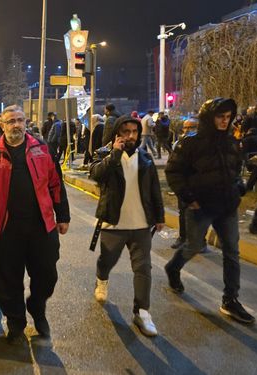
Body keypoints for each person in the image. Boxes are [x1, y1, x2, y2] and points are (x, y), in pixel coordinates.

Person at [0, 105, 70, 345]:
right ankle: (16, 322)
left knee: (47, 275)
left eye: (20, 120)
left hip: (41, 227)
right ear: (2, 124)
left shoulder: (41, 148)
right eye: (11, 121)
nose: (16, 125)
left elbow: (56, 183)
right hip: (5, 230)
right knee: (8, 279)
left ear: (26, 122)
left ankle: (37, 307)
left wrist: (63, 215)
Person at [165, 98, 254, 324]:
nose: (224, 121)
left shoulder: (231, 142)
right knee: (194, 245)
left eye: (227, 117)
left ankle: (230, 299)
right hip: (200, 207)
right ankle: (173, 268)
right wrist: (188, 197)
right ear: (209, 117)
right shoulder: (190, 143)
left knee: (232, 252)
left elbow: (235, 169)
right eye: (220, 117)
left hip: (227, 206)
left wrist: (239, 186)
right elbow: (174, 171)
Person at [89, 115, 165, 337]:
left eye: (134, 132)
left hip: (141, 224)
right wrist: (114, 153)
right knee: (107, 260)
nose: (130, 136)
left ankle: (142, 311)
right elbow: (96, 175)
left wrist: (159, 216)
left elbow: (154, 190)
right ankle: (101, 279)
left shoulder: (145, 158)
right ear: (117, 134)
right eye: (125, 132)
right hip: (114, 223)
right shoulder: (105, 155)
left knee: (143, 268)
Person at [169, 118, 209, 254]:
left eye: (191, 127)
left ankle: (201, 242)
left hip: (200, 185)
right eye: (185, 128)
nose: (187, 130)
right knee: (183, 211)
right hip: (184, 185)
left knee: (200, 214)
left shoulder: (204, 144)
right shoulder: (178, 144)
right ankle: (183, 237)